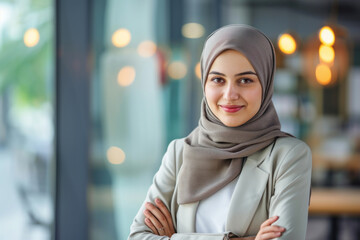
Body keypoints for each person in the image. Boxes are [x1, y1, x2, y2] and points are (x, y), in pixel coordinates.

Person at [128, 24, 312, 240]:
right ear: (204, 82)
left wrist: (174, 237)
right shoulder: (179, 153)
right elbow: (138, 236)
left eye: (245, 80)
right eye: (218, 80)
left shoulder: (289, 156)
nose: (230, 94)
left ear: (266, 82)